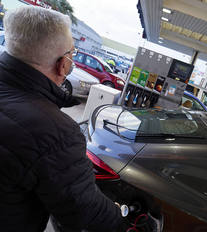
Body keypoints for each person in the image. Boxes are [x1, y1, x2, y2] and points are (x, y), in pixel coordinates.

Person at [0, 6, 124, 232]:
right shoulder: (56, 132)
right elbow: (84, 212)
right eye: (72, 54)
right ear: (63, 64)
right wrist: (124, 217)